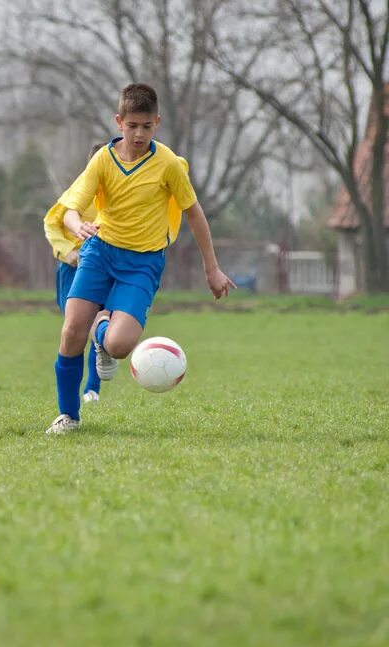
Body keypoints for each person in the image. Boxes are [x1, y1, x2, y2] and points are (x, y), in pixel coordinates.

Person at [47, 84, 236, 435]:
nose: (138, 133)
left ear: (157, 123)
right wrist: (79, 225)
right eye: (132, 125)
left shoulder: (167, 164)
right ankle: (68, 416)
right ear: (119, 121)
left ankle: (101, 334)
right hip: (100, 252)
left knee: (119, 346)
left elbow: (194, 213)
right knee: (71, 330)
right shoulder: (102, 159)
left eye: (146, 127)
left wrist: (212, 268)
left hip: (143, 263)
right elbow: (70, 209)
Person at [43, 143, 107, 403]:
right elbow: (51, 222)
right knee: (75, 330)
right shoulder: (78, 192)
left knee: (100, 322)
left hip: (106, 265)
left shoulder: (123, 192)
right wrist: (68, 252)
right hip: (73, 268)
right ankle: (76, 396)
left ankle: (92, 389)